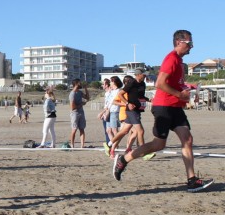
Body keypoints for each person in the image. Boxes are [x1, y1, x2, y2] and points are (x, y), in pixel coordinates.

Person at [112, 30, 214, 192]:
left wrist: (188, 89)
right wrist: (180, 94)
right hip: (163, 107)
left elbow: (175, 84)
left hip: (175, 107)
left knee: (187, 139)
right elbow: (160, 83)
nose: (191, 47)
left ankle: (192, 180)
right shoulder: (171, 59)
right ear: (179, 42)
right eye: (189, 43)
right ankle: (124, 159)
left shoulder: (180, 63)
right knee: (158, 144)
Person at [106, 69, 152, 159]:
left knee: (125, 131)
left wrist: (149, 100)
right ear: (138, 75)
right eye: (144, 75)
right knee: (141, 131)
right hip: (131, 111)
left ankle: (110, 143)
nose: (145, 76)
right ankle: (144, 153)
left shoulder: (143, 84)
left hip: (138, 110)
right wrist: (127, 103)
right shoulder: (132, 83)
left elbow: (141, 96)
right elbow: (120, 94)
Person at [69, 79, 89, 148]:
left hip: (81, 112)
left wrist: (86, 88)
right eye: (80, 83)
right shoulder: (72, 94)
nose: (81, 84)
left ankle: (82, 145)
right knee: (74, 129)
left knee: (82, 129)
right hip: (75, 113)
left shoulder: (80, 92)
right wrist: (81, 104)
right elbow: (72, 107)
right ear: (76, 84)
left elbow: (87, 98)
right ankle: (72, 145)